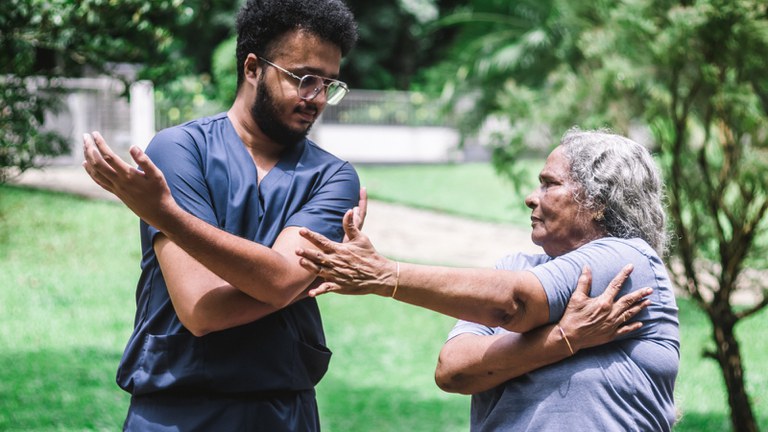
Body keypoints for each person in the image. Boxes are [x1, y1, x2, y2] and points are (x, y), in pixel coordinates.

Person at [81, 1, 363, 430]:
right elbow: (201, 309)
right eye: (304, 79)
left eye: (329, 84)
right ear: (253, 68)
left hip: (282, 413)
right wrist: (293, 285)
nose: (318, 99)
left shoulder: (334, 178)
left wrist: (165, 214)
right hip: (173, 413)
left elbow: (280, 280)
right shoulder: (178, 150)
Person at [295, 128, 680, 431]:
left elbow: (515, 305)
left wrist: (385, 275)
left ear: (597, 202)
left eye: (549, 184)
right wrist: (565, 339)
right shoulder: (515, 265)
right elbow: (454, 371)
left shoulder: (629, 260)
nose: (531, 197)